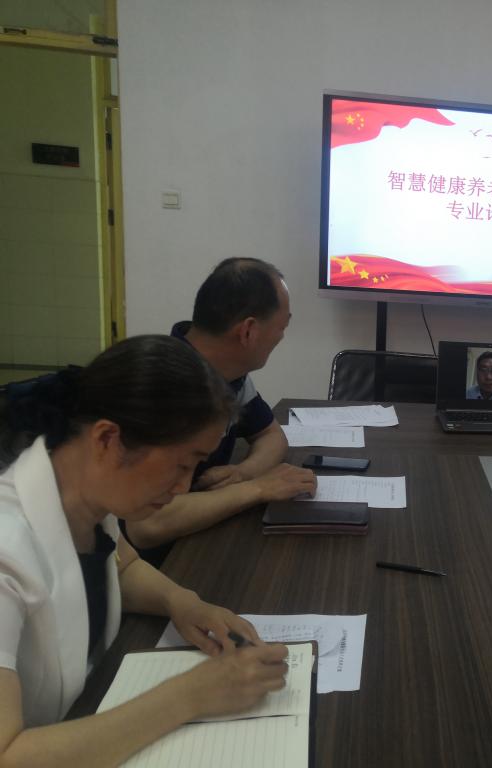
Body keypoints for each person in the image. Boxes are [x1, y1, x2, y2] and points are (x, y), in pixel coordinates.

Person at [0, 335, 289, 764]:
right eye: (182, 464)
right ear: (107, 439)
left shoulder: (84, 495)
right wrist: (190, 695)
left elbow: (120, 565)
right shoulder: (7, 549)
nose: (184, 486)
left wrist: (182, 602)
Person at [123, 258, 316, 565]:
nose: (281, 337)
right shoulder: (162, 387)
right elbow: (147, 525)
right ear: (248, 331)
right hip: (152, 563)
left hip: (201, 533)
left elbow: (271, 435)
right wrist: (257, 488)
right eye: (282, 327)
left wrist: (242, 473)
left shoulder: (230, 372)